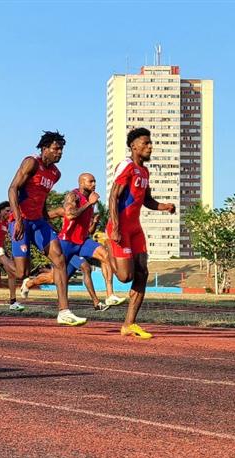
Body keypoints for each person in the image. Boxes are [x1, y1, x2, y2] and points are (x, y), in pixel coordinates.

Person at [6, 131, 86, 326]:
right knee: (21, 273)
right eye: (56, 149)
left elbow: (41, 198)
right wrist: (17, 219)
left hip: (38, 222)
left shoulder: (55, 174)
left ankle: (64, 311)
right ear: (44, 149)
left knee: (59, 259)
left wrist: (46, 220)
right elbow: (12, 189)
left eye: (62, 149)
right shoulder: (31, 163)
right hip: (21, 220)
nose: (60, 153)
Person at [19, 173, 127, 310]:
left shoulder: (90, 199)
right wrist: (88, 204)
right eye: (91, 182)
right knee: (54, 278)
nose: (94, 184)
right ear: (81, 183)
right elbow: (69, 215)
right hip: (66, 243)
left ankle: (110, 295)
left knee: (106, 255)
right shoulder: (73, 196)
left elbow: (87, 230)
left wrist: (93, 221)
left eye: (95, 181)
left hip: (82, 242)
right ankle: (30, 283)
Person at [107, 127, 176, 339]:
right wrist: (116, 227)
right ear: (133, 146)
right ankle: (103, 252)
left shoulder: (145, 172)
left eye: (150, 143)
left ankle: (129, 324)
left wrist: (163, 206)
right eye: (145, 143)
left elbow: (146, 200)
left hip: (136, 229)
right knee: (125, 276)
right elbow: (113, 197)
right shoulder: (126, 166)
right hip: (120, 228)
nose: (150, 146)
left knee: (142, 273)